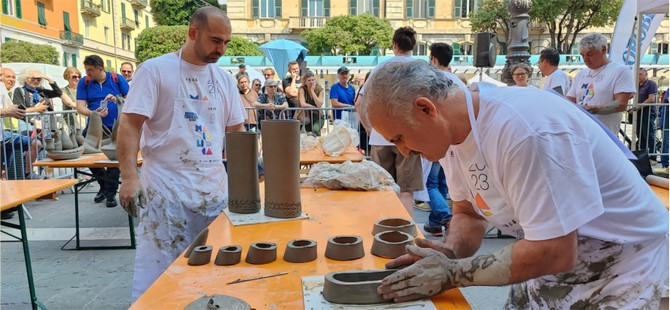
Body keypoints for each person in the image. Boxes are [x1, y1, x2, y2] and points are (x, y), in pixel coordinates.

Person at [361, 60, 668, 308]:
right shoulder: (450, 138)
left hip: (626, 264)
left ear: (426, 108)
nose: (402, 150)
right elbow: (468, 214)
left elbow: (555, 250)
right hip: (553, 262)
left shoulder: (525, 130)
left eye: (399, 137)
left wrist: (453, 274)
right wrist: (449, 253)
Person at [116, 6, 246, 300]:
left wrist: (247, 187)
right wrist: (128, 178)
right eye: (215, 40)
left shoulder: (224, 80)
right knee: (161, 276)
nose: (221, 49)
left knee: (215, 271)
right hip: (165, 189)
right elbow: (130, 125)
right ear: (192, 33)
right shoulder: (154, 70)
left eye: (226, 42)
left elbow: (236, 134)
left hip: (214, 189)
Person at [356, 26, 424, 213]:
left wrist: (370, 129)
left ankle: (384, 233)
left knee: (383, 190)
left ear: (394, 45)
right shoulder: (422, 69)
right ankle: (406, 233)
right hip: (411, 138)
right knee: (406, 191)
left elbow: (359, 104)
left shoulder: (380, 69)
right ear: (414, 46)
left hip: (381, 137)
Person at [76, 54, 129, 208]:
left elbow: (131, 99)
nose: (88, 74)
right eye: (86, 70)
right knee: (86, 154)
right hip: (94, 126)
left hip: (116, 125)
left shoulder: (117, 79)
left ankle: (111, 193)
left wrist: (117, 99)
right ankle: (104, 185)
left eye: (90, 70)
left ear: (100, 68)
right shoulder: (84, 82)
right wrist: (94, 114)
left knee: (113, 158)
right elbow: (80, 107)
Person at [567, 33, 635, 135]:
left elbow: (621, 103)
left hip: (604, 135)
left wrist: (595, 109)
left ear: (603, 50)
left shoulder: (620, 71)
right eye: (582, 55)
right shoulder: (581, 74)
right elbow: (569, 101)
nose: (585, 59)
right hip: (580, 133)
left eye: (589, 54)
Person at [633, 68, 658, 153]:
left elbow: (651, 99)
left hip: (648, 112)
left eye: (640, 74)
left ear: (646, 74)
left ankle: (653, 155)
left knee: (648, 134)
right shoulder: (637, 85)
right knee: (640, 135)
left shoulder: (651, 84)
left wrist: (638, 106)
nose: (638, 76)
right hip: (639, 112)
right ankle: (644, 155)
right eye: (637, 74)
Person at [297, 71, 324, 136]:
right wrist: (316, 108)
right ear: (305, 82)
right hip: (306, 115)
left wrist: (312, 91)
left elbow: (319, 104)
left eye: (313, 80)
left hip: (318, 116)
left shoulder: (319, 89)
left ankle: (318, 145)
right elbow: (303, 104)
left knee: (315, 130)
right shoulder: (302, 89)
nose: (311, 82)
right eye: (309, 80)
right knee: (307, 134)